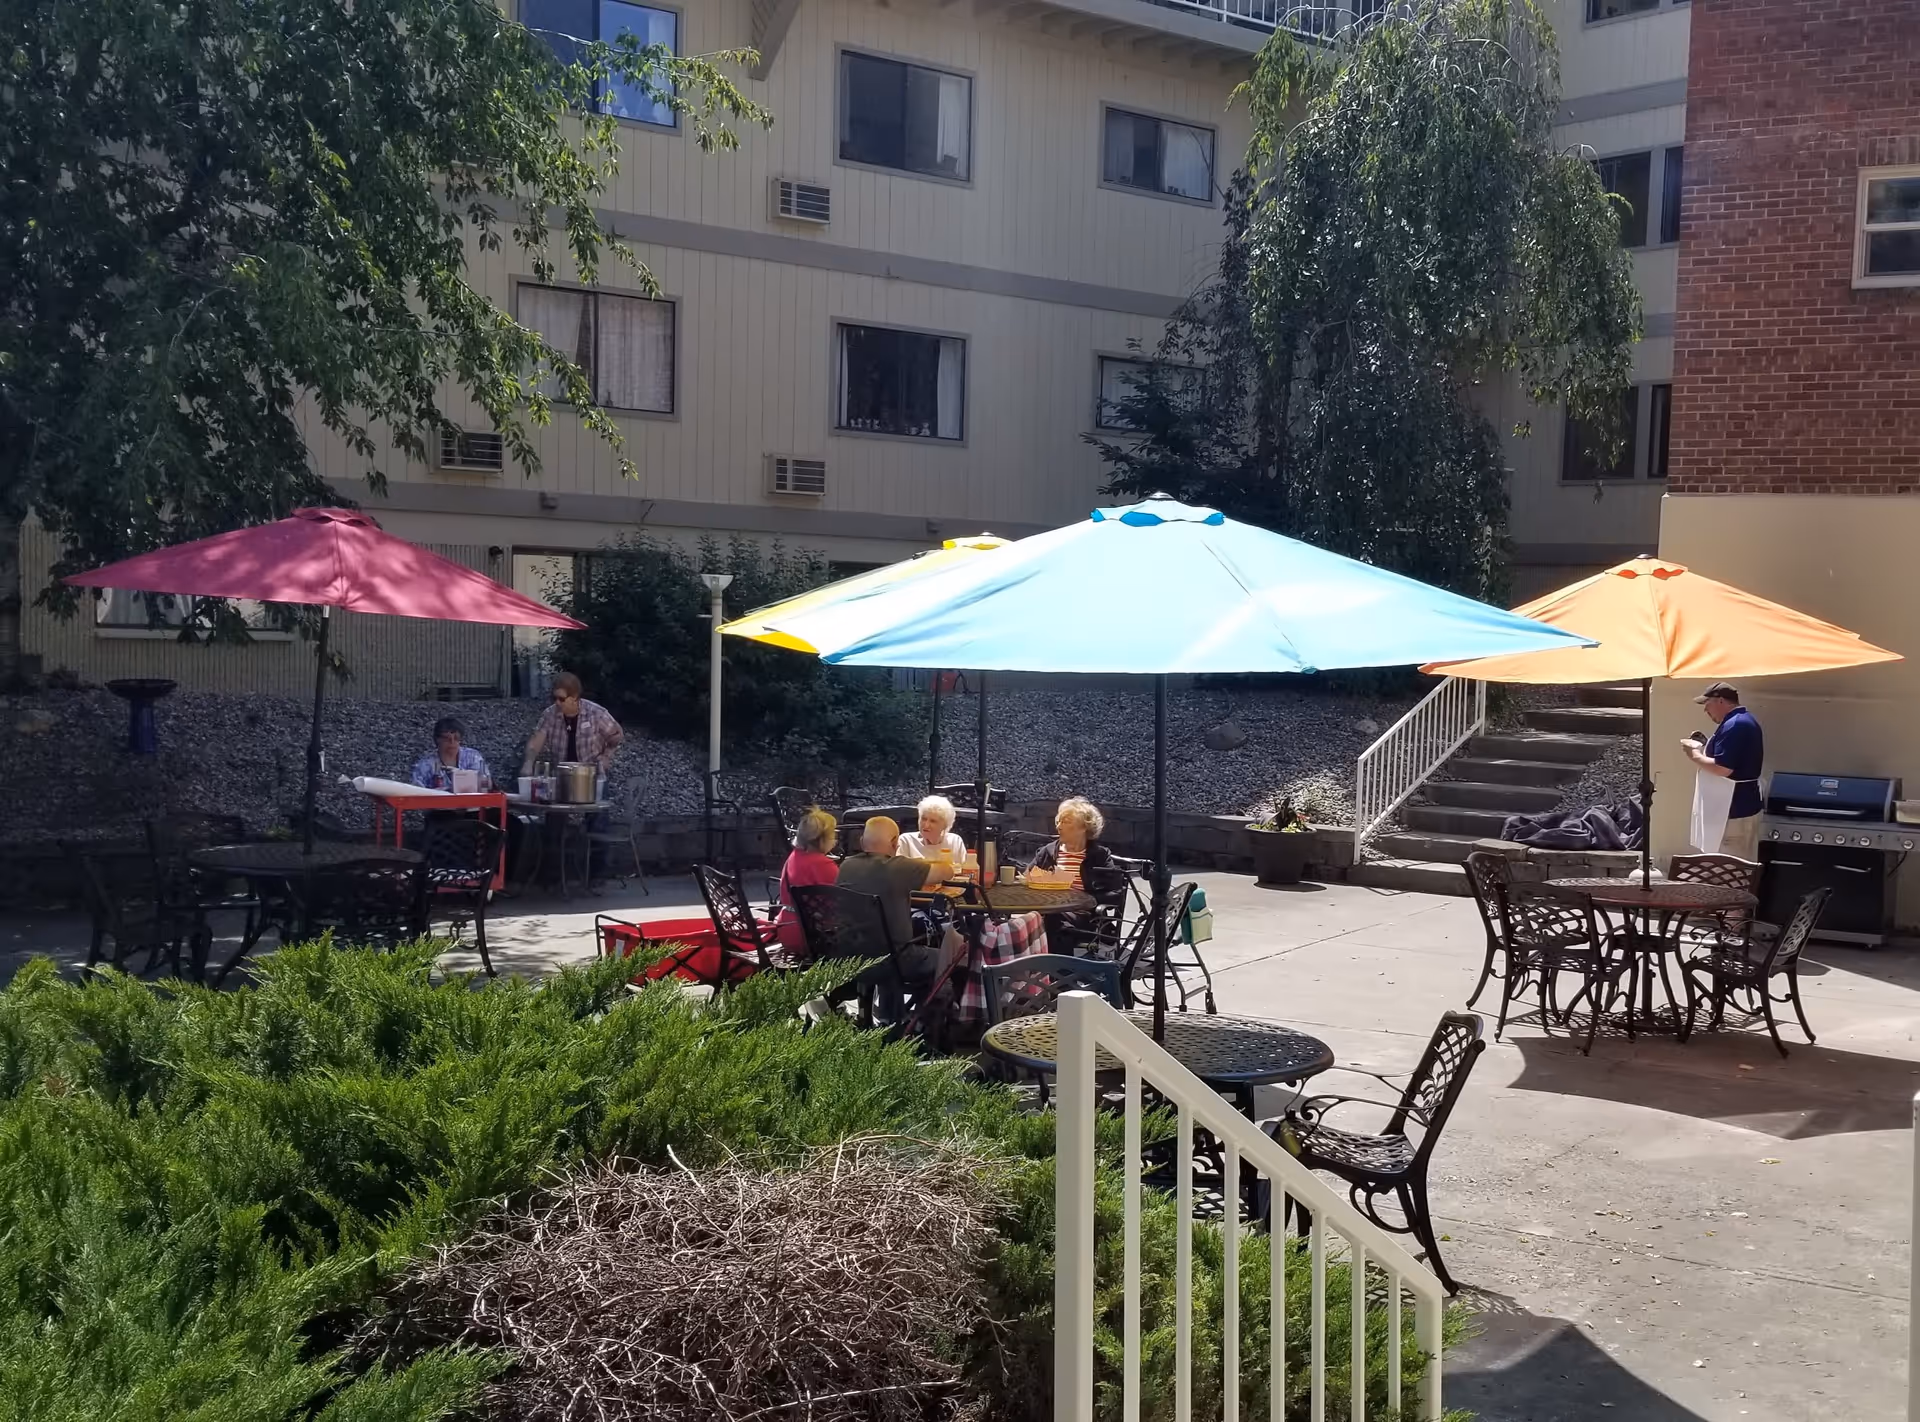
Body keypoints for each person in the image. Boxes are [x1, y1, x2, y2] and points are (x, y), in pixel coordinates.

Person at [837, 816, 950, 988]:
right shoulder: (900, 867)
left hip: (852, 958)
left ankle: (891, 1009)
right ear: (894, 842)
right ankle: (931, 1010)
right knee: (950, 956)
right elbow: (946, 872)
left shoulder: (845, 866)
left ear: (861, 842)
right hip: (895, 961)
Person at [1683, 682, 1765, 860]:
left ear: (1720, 701)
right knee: (1733, 868)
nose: (1706, 710)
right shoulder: (1740, 720)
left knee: (1729, 869)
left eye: (1707, 704)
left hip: (1733, 810)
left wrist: (1693, 754)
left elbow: (1722, 768)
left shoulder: (1735, 724)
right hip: (1737, 807)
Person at [520, 671, 624, 778]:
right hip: (562, 776)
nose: (557, 703)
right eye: (554, 698)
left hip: (592, 776)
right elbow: (536, 742)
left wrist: (606, 756)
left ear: (574, 697)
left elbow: (617, 734)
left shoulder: (596, 713)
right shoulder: (549, 714)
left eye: (561, 699)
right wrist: (528, 763)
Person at [771, 806, 841, 952]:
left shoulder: (793, 857)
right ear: (822, 839)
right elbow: (843, 900)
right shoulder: (824, 864)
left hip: (787, 928)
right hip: (813, 935)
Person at [1030, 797, 1116, 890]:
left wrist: (1086, 899)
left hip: (1087, 904)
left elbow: (1113, 891)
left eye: (1066, 822)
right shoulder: (1047, 852)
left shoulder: (1100, 856)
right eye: (1058, 822)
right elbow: (1026, 879)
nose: (1058, 827)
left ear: (1084, 827)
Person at [410, 716, 491, 790]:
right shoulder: (425, 764)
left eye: (456, 738)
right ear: (437, 739)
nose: (452, 742)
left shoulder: (473, 757)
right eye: (447, 738)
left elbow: (487, 784)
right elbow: (416, 790)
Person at [898, 794, 967, 872]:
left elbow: (964, 871)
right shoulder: (906, 841)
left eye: (933, 821)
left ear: (945, 825)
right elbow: (900, 874)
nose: (926, 825)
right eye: (923, 819)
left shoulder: (955, 841)